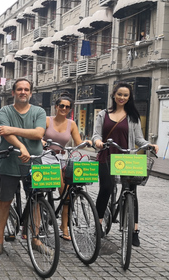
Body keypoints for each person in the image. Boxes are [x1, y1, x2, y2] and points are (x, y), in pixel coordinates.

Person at [92, 82, 158, 247]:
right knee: (106, 188)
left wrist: (149, 144)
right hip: (106, 156)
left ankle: (134, 230)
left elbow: (138, 139)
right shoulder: (103, 114)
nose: (122, 97)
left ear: (129, 98)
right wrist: (98, 143)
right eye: (119, 94)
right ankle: (98, 224)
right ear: (114, 95)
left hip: (126, 158)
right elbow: (95, 135)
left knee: (131, 192)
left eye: (125, 95)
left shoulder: (132, 116)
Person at [0, 78, 46, 255]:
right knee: (5, 200)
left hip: (34, 162)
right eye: (19, 89)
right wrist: (22, 146)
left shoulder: (39, 111)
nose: (23, 92)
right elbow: (4, 134)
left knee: (37, 201)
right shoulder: (5, 110)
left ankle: (36, 238)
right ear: (13, 92)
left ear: (31, 93)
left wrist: (12, 129)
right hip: (10, 160)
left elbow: (38, 133)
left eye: (26, 89)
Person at [42, 94, 91, 241]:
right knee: (38, 192)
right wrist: (42, 141)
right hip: (44, 157)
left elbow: (78, 142)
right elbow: (37, 135)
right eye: (61, 105)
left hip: (61, 159)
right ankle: (31, 224)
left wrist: (87, 143)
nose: (64, 108)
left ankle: (64, 227)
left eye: (67, 106)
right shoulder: (46, 120)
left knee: (67, 195)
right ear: (56, 106)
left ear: (70, 109)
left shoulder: (72, 124)